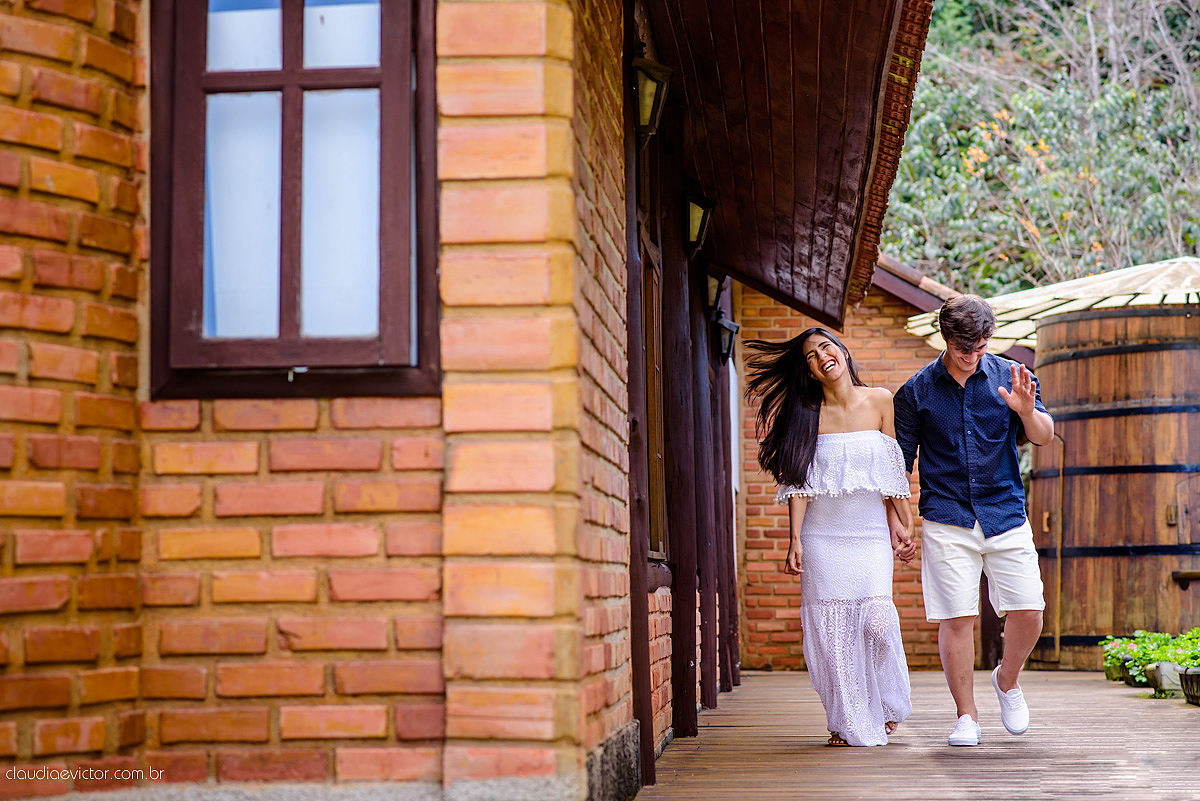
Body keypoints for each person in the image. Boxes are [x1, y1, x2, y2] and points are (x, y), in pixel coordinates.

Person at [893, 294, 1053, 747]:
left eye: (981, 347)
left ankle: (1007, 679)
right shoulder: (916, 392)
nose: (972, 356)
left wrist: (1025, 410)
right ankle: (966, 716)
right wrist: (898, 521)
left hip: (1004, 511)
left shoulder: (1011, 376)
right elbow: (900, 466)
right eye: (965, 348)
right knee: (957, 617)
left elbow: (1044, 434)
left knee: (1030, 609)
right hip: (947, 516)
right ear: (946, 338)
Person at [746, 326, 917, 747]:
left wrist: (901, 520)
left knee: (877, 620)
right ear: (810, 372)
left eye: (826, 347)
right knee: (833, 632)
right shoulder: (806, 414)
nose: (821, 356)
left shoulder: (880, 400)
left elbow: (891, 470)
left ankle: (883, 704)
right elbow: (800, 484)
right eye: (810, 356)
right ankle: (844, 719)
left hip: (869, 534)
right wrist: (795, 539)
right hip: (824, 537)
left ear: (842, 351)